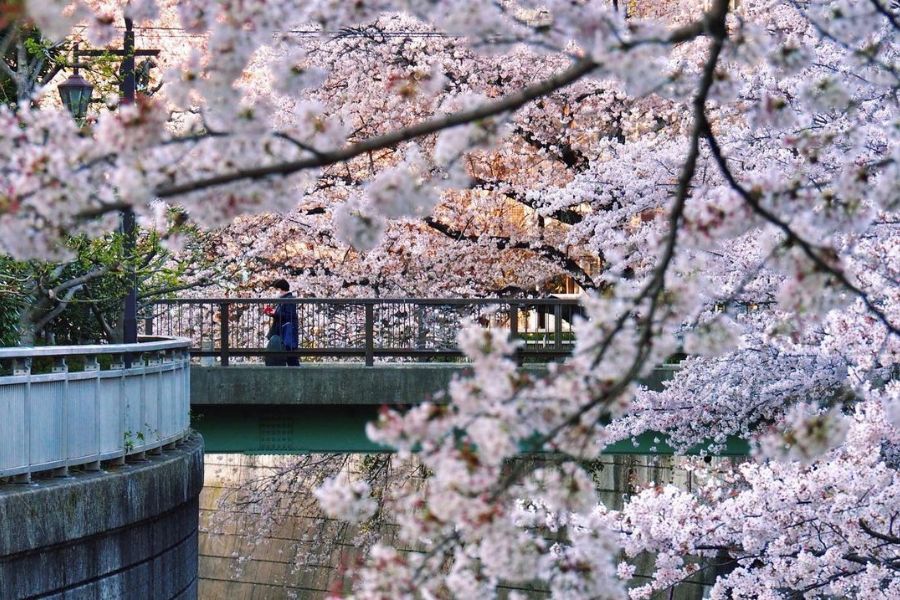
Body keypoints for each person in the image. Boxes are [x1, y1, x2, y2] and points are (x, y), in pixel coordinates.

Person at [265, 279, 300, 366]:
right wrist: (274, 313)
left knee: (290, 355)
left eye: (276, 289)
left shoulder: (289, 300)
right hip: (283, 331)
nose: (276, 292)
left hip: (285, 332)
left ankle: (297, 373)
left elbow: (289, 315)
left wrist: (275, 313)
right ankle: (297, 373)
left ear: (280, 289)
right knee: (290, 356)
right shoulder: (284, 299)